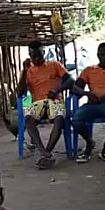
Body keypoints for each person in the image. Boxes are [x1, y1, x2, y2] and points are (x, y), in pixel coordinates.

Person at [17, 41, 73, 170]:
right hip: (37, 103)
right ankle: (43, 151)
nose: (36, 59)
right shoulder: (27, 71)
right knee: (28, 119)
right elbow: (20, 93)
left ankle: (47, 152)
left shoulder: (55, 65)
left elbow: (69, 80)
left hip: (54, 101)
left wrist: (57, 90)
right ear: (29, 55)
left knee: (59, 119)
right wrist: (25, 72)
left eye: (39, 55)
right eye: (33, 56)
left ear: (44, 52)